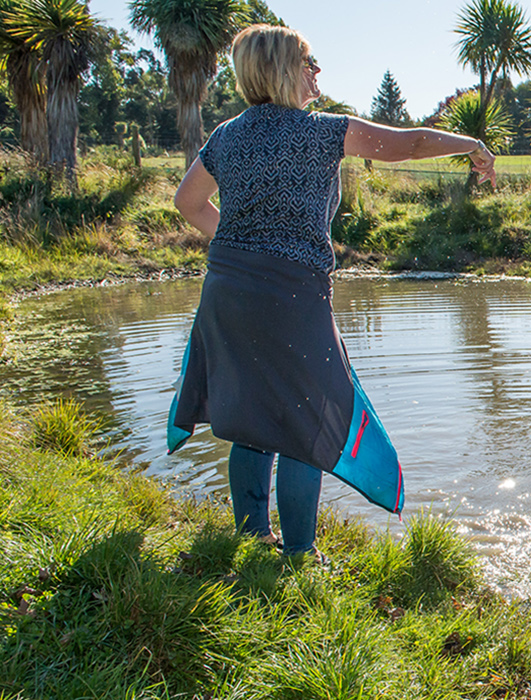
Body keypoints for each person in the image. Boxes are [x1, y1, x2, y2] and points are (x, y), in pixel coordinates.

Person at [168, 24, 497, 559]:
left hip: (227, 289)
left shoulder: (226, 135)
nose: (317, 72)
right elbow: (407, 144)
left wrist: (237, 240)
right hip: (291, 294)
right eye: (308, 61)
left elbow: (187, 202)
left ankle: (252, 539)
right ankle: (300, 553)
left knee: (251, 418)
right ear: (282, 70)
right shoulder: (323, 131)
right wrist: (471, 144)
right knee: (306, 416)